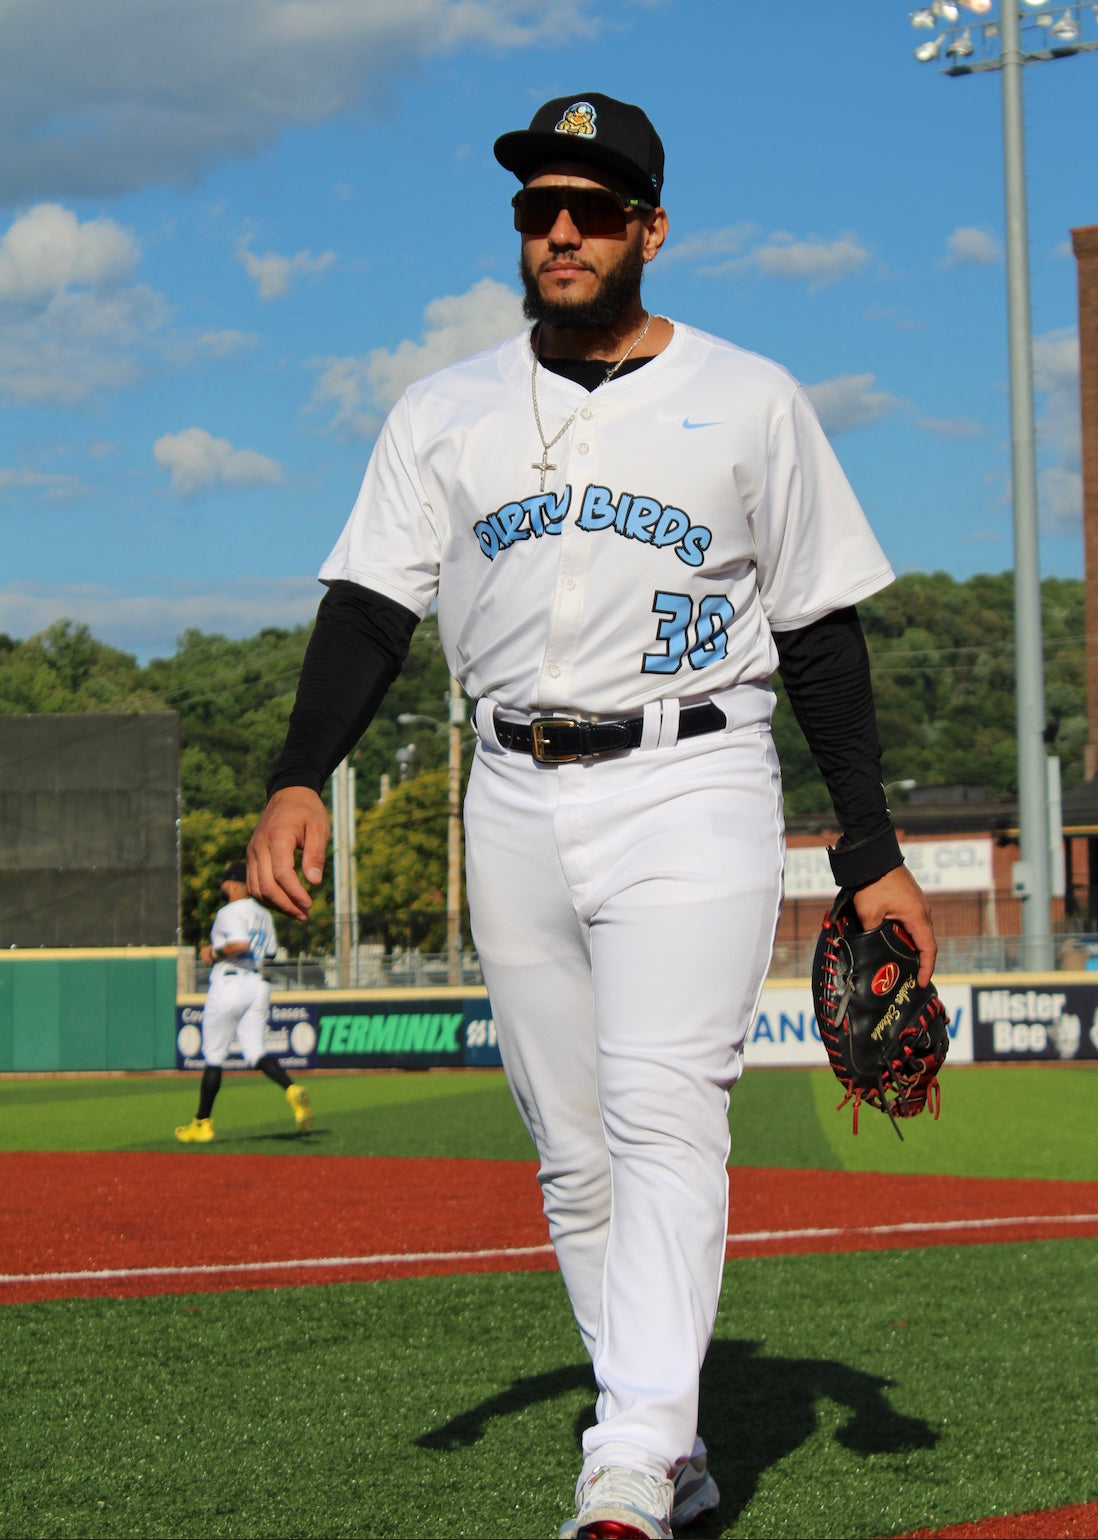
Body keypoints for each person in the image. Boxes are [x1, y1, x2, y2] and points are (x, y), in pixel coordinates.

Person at [247, 91, 936, 1540]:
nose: (559, 231)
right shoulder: (443, 410)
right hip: (508, 792)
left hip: (691, 781)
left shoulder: (748, 398)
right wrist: (298, 773)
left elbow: (816, 635)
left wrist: (865, 852)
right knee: (573, 1151)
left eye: (592, 208)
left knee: (662, 1113)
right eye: (536, 210)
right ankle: (670, 1440)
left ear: (648, 230)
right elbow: (370, 609)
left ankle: (625, 1455)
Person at [175, 861, 313, 1142]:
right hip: (256, 984)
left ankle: (202, 1123)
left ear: (236, 884)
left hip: (230, 982)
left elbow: (239, 945)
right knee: (256, 1052)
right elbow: (271, 952)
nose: (222, 885)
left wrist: (213, 953)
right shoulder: (263, 914)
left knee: (214, 1057)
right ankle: (291, 1089)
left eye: (225, 881)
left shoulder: (228, 912)